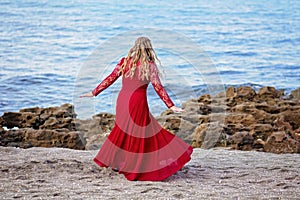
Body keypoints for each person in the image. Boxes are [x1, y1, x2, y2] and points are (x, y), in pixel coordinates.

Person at [80, 37, 193, 181]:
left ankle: (118, 162)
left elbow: (110, 78)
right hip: (137, 101)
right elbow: (158, 87)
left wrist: (94, 92)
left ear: (135, 47)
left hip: (123, 100)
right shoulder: (149, 66)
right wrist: (170, 105)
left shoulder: (125, 62)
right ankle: (134, 165)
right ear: (149, 48)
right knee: (140, 132)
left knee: (122, 130)